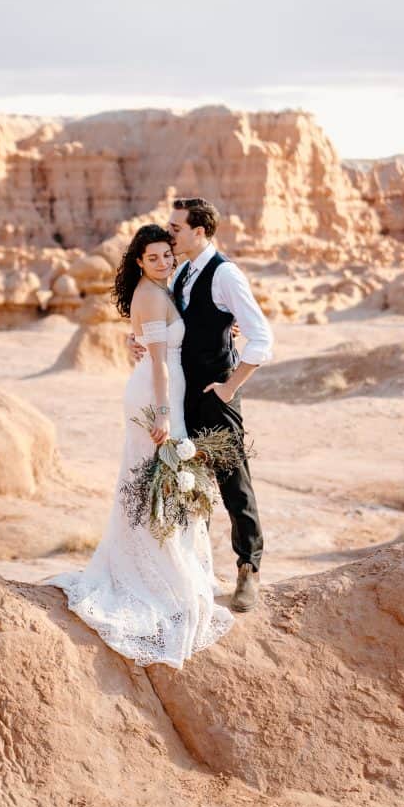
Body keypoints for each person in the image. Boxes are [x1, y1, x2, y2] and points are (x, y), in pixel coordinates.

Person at [41, 224, 235, 669]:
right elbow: (161, 366)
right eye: (154, 258)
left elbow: (172, 333)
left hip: (164, 391)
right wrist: (164, 414)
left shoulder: (166, 286)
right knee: (156, 481)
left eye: (168, 254)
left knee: (161, 483)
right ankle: (152, 576)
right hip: (154, 395)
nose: (164, 262)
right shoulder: (149, 295)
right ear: (139, 262)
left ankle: (166, 565)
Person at [129, 198, 273, 612]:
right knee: (189, 483)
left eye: (176, 228)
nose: (169, 233)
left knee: (233, 481)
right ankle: (197, 570)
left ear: (199, 231)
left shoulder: (225, 273)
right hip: (182, 394)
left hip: (215, 393)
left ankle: (248, 568)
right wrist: (134, 339)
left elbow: (262, 337)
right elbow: (165, 321)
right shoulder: (181, 272)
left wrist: (230, 387)